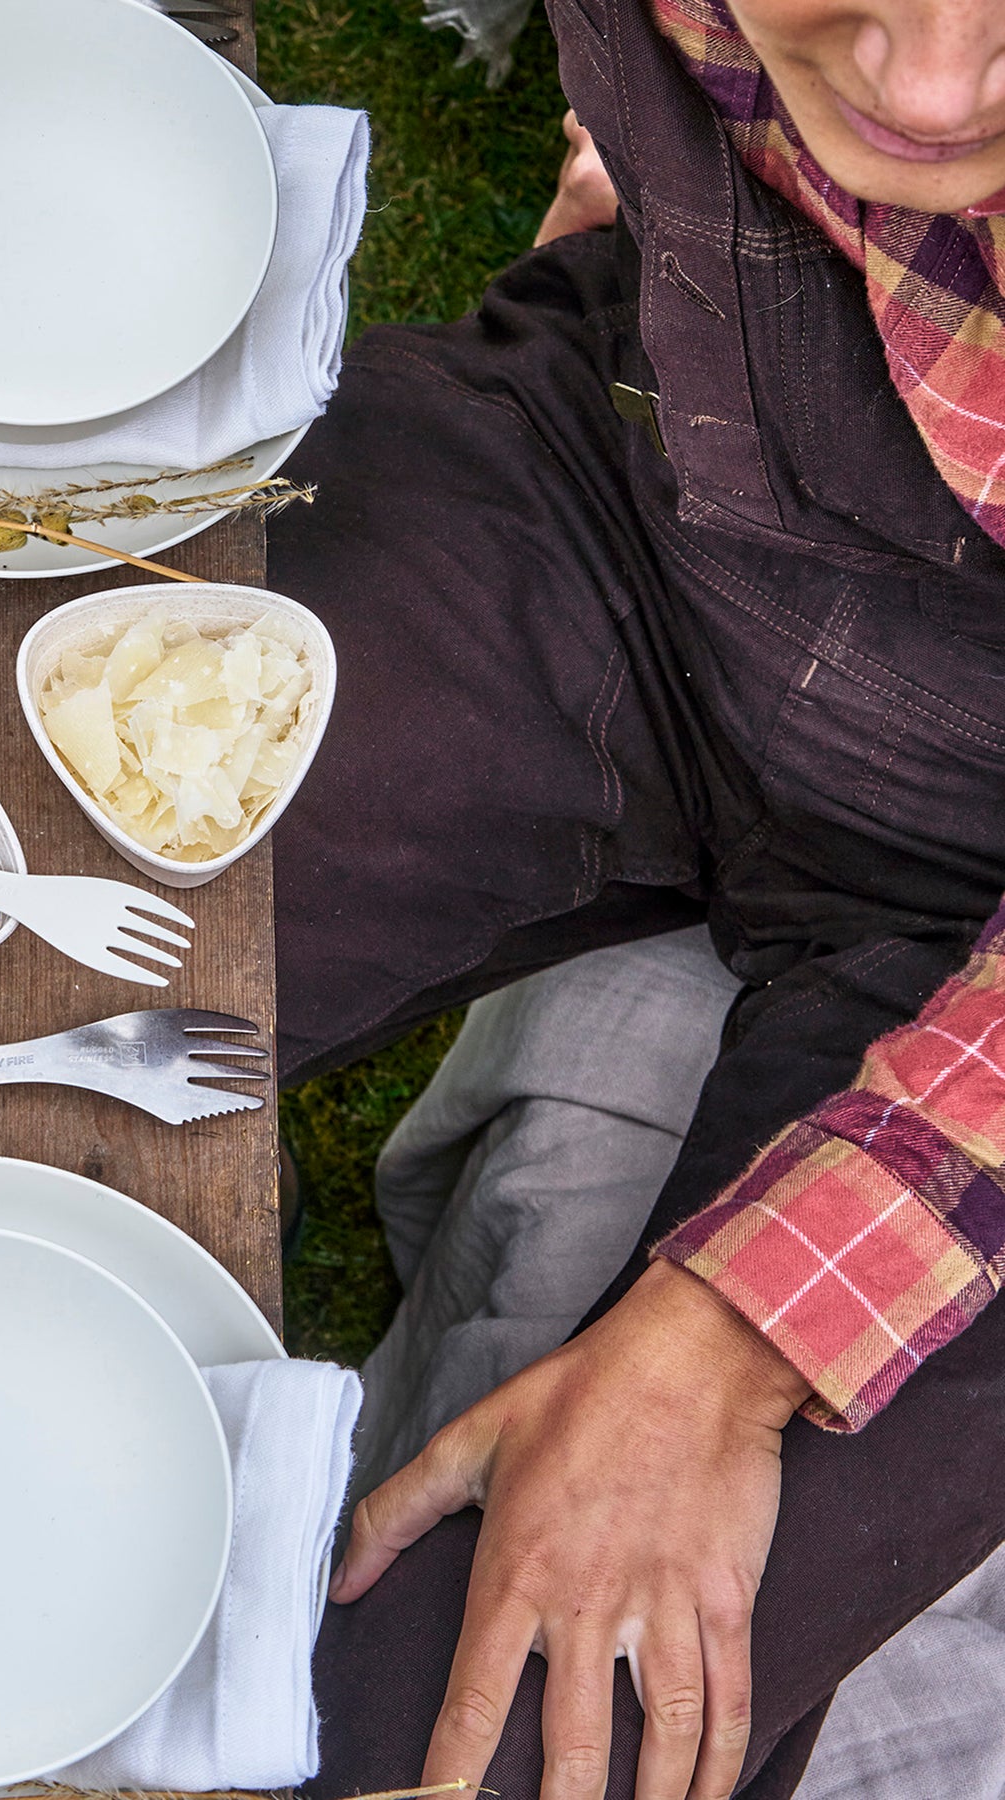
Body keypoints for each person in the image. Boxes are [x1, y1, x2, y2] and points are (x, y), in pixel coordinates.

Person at [268, 2, 1005, 1796]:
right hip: (651, 484)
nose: (922, 85)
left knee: (469, 1752)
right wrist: (660, 165)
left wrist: (742, 1332)